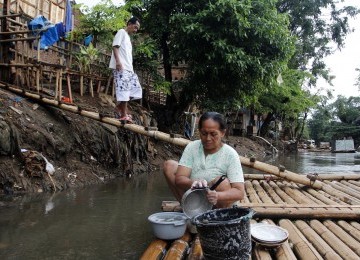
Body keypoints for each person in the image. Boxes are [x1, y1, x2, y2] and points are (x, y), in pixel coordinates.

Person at [163, 112, 245, 208]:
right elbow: (180, 178)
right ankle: (189, 207)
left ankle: (217, 215)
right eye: (204, 133)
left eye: (213, 134)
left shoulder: (230, 154)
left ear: (222, 133)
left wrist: (217, 195)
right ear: (199, 131)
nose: (208, 138)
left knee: (222, 182)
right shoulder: (192, 147)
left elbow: (239, 192)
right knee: (169, 165)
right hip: (195, 196)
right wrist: (193, 183)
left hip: (218, 203)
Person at [109, 17, 142, 122]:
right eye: (135, 27)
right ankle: (123, 114)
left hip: (129, 68)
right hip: (121, 67)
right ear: (129, 24)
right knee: (124, 91)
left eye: (137, 28)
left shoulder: (127, 37)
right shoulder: (121, 32)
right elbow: (115, 46)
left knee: (135, 90)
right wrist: (118, 62)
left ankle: (120, 107)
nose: (136, 30)